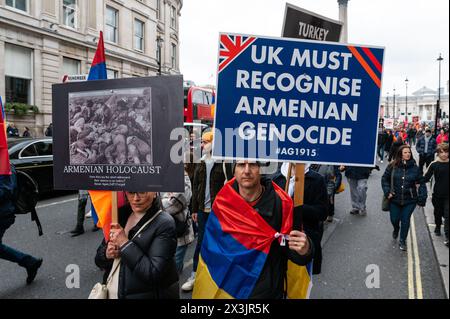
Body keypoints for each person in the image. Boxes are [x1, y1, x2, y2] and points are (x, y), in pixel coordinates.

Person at [193, 161, 313, 299]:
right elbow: (211, 251)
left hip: (267, 293)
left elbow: (294, 254)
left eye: (253, 165)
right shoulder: (222, 202)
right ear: (234, 170)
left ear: (261, 169)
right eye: (241, 165)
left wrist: (305, 249)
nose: (247, 170)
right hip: (228, 290)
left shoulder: (282, 204)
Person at [94, 191, 179, 299]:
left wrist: (124, 244)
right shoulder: (119, 215)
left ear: (154, 193)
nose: (136, 198)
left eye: (142, 192)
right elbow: (98, 260)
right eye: (131, 192)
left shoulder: (164, 223)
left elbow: (154, 273)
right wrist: (107, 254)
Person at [181, 131, 232, 292]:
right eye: (202, 142)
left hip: (219, 212)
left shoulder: (224, 162)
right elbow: (196, 186)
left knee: (220, 243)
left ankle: (218, 277)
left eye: (205, 142)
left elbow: (230, 187)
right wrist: (195, 209)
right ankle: (195, 274)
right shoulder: (201, 162)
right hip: (203, 211)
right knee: (201, 243)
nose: (202, 145)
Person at [272, 163, 328, 275]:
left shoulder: (317, 180)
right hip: (279, 244)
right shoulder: (275, 179)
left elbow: (322, 213)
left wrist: (296, 207)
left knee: (300, 287)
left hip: (305, 243)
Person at [0, 164, 43, 285]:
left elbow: (5, 190)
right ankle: (29, 262)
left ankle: (29, 262)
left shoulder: (4, 166)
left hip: (3, 214)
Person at [382, 145, 427, 251]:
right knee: (394, 219)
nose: (408, 154)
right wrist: (387, 191)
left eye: (409, 153)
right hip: (394, 198)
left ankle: (402, 241)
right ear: (400, 154)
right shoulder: (392, 166)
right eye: (405, 152)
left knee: (405, 220)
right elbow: (385, 179)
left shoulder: (415, 168)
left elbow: (422, 184)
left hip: (410, 200)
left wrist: (422, 199)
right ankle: (396, 229)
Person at [161, 169, 195, 273]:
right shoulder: (166, 175)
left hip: (179, 233)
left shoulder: (183, 178)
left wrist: (157, 202)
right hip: (166, 233)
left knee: (173, 269)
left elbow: (174, 204)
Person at [423, 143, 449, 246]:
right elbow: (425, 178)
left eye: (446, 152)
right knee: (438, 213)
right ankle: (438, 226)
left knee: (448, 215)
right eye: (441, 152)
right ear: (438, 153)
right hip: (437, 194)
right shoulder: (434, 164)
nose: (444, 154)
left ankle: (447, 236)